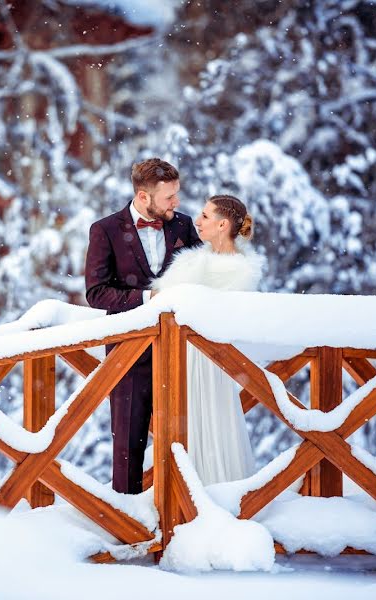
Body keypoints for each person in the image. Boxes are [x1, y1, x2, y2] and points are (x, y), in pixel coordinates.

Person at [85, 158, 201, 494]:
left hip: (181, 350)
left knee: (184, 438)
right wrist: (148, 298)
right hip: (129, 351)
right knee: (127, 445)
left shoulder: (183, 226)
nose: (176, 203)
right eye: (169, 197)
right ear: (143, 196)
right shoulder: (105, 230)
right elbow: (96, 293)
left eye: (176, 194)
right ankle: (129, 524)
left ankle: (181, 516)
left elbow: (200, 275)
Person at [150, 194, 265, 484]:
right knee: (182, 422)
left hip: (211, 358)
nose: (197, 221)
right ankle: (181, 485)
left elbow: (220, 313)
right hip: (182, 355)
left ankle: (213, 486)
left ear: (223, 224)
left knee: (213, 419)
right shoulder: (192, 262)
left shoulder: (238, 270)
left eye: (204, 216)